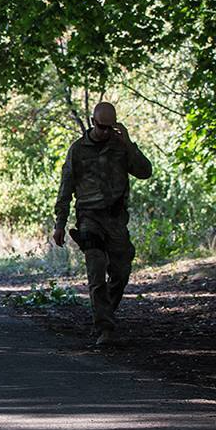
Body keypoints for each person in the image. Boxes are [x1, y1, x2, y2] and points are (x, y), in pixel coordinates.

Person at [53, 101, 152, 345]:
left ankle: (104, 310)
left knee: (121, 271)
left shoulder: (121, 147)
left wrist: (128, 142)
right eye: (101, 126)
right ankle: (105, 327)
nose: (105, 132)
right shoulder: (78, 150)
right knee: (96, 270)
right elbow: (65, 188)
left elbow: (145, 171)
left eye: (110, 127)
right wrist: (60, 223)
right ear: (92, 122)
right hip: (89, 218)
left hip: (116, 220)